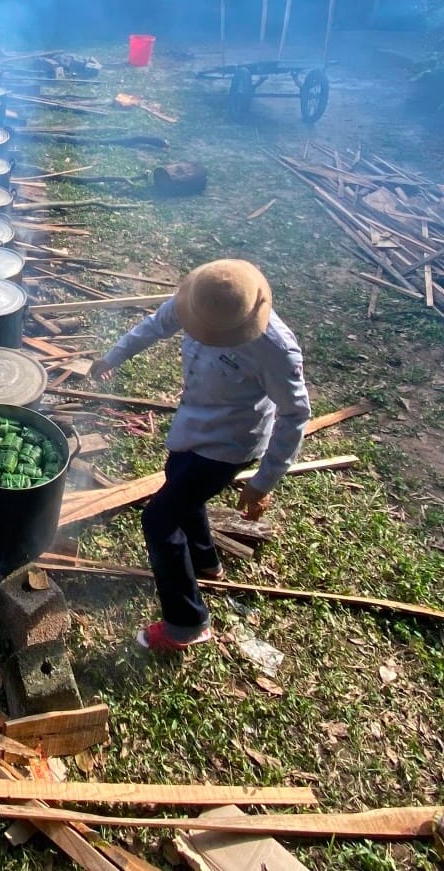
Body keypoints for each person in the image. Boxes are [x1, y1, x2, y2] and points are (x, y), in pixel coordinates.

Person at [90, 259, 310, 654]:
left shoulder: (273, 347)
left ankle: (187, 622)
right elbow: (154, 326)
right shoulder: (200, 299)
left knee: (159, 520)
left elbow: (294, 414)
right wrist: (112, 357)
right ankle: (207, 561)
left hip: (231, 443)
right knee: (179, 479)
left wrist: (264, 481)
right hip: (194, 420)